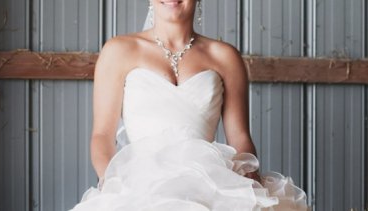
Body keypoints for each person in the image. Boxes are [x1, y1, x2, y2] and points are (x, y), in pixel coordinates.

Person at [71, 0, 308, 210]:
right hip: (140, 185)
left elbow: (240, 137)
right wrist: (117, 186)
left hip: (211, 185)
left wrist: (250, 189)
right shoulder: (119, 51)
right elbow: (102, 135)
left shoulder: (225, 56)